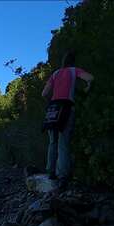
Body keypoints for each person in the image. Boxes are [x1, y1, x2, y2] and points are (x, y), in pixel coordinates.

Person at [41, 51, 94, 187]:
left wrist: (51, 101)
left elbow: (44, 93)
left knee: (52, 142)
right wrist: (87, 88)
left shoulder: (55, 73)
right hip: (66, 107)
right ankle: (63, 175)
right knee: (63, 142)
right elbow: (90, 78)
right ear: (73, 61)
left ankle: (50, 171)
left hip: (53, 109)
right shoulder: (74, 71)